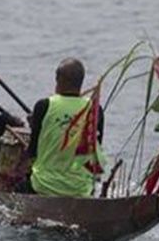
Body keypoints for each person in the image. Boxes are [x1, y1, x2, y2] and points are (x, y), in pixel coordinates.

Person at [27, 58, 106, 197]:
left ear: (58, 79)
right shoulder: (95, 109)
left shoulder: (44, 105)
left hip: (44, 185)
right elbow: (95, 151)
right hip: (81, 189)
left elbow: (33, 151)